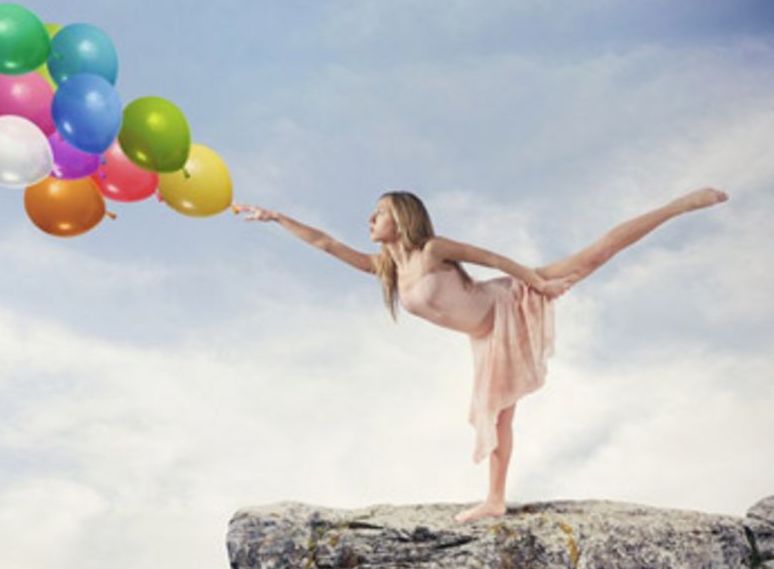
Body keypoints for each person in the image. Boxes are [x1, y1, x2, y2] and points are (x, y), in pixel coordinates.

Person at [232, 187, 730, 523]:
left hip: (507, 300)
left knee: (595, 254)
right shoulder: (386, 268)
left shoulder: (432, 249)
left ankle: (680, 205)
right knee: (493, 415)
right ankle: (495, 500)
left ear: (401, 217)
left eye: (378, 212)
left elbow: (491, 259)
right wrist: (276, 218)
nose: (369, 219)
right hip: (487, 336)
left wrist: (533, 281)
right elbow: (324, 242)